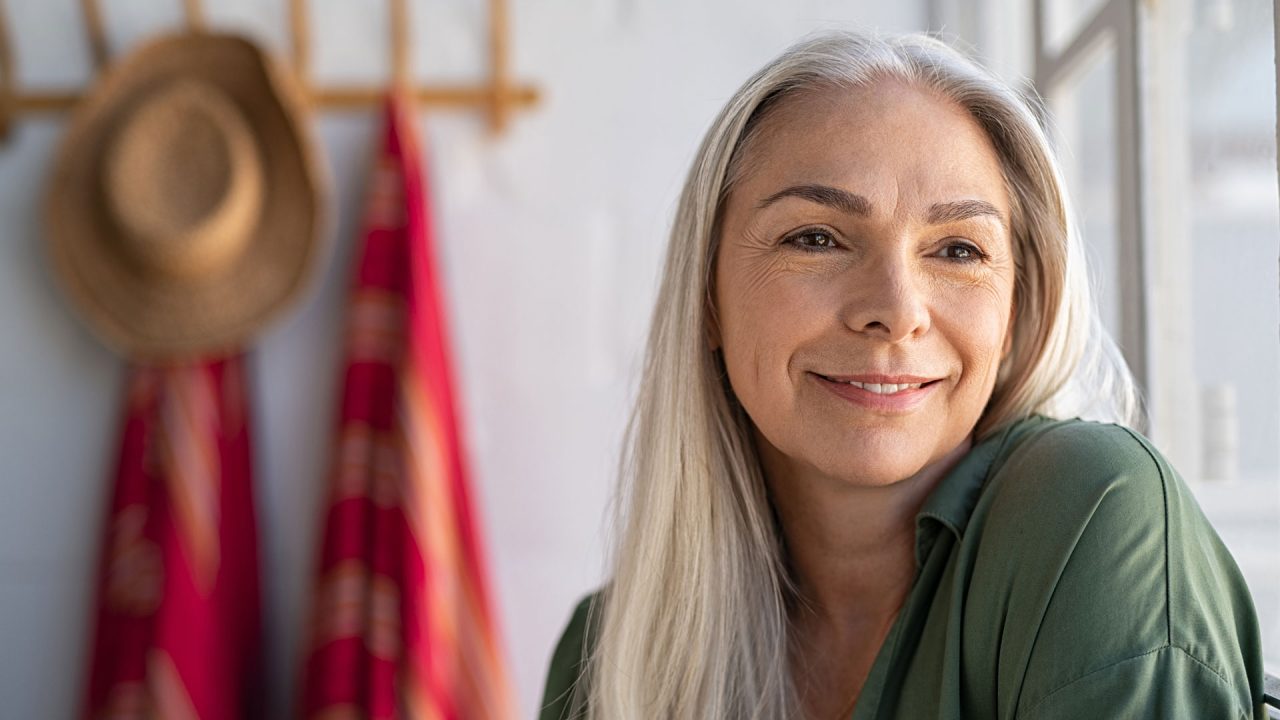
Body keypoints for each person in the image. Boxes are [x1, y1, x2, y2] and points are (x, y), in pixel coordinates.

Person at [538, 30, 1265, 719]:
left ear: (1017, 309)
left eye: (957, 250)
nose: (895, 310)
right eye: (816, 238)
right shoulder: (609, 653)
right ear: (707, 298)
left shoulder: (1095, 518)